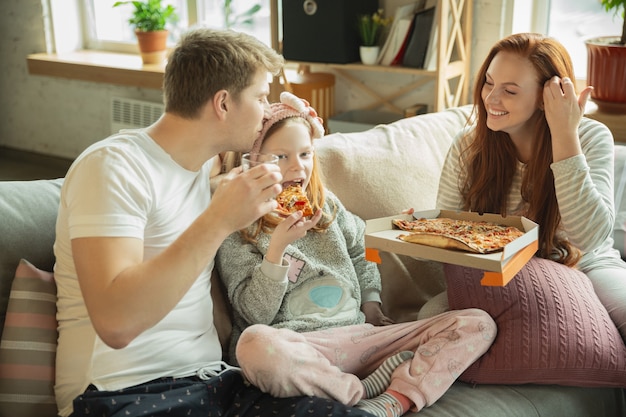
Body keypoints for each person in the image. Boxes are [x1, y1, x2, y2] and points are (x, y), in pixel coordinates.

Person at [53, 28, 379, 417]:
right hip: (121, 392)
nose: (265, 113)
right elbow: (116, 323)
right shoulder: (112, 168)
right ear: (223, 103)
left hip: (214, 381)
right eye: (261, 98)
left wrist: (299, 131)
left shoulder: (203, 166)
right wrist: (219, 220)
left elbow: (283, 160)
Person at [215, 91, 497, 417]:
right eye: (281, 157)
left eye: (305, 154)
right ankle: (358, 392)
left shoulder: (329, 208)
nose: (297, 167)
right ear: (253, 162)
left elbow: (363, 254)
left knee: (478, 323)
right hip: (299, 346)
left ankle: (397, 399)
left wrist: (372, 305)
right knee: (251, 345)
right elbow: (255, 316)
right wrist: (276, 249)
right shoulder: (237, 229)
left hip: (360, 338)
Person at [435, 32, 626, 340]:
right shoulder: (469, 144)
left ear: (545, 97)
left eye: (509, 91)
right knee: (431, 316)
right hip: (505, 270)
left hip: (587, 265)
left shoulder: (590, 137)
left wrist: (564, 133)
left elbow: (589, 238)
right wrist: (421, 232)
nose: (491, 99)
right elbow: (447, 232)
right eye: (488, 82)